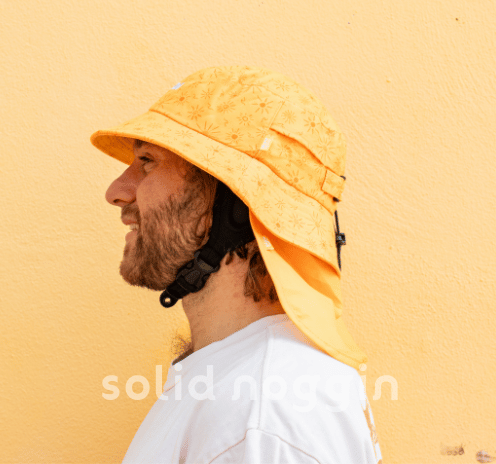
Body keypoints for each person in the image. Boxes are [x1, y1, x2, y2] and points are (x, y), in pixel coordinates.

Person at [91, 65, 383, 463]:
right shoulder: (239, 387)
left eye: (147, 161)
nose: (117, 191)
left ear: (236, 205)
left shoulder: (263, 414)